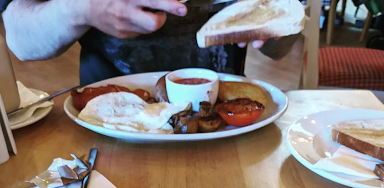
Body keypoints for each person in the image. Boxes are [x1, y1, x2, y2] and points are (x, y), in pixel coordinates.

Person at [0, 0, 298, 84]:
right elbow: (21, 40)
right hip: (110, 123)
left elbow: (280, 48)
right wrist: (83, 8)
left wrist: (272, 21)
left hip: (228, 123)